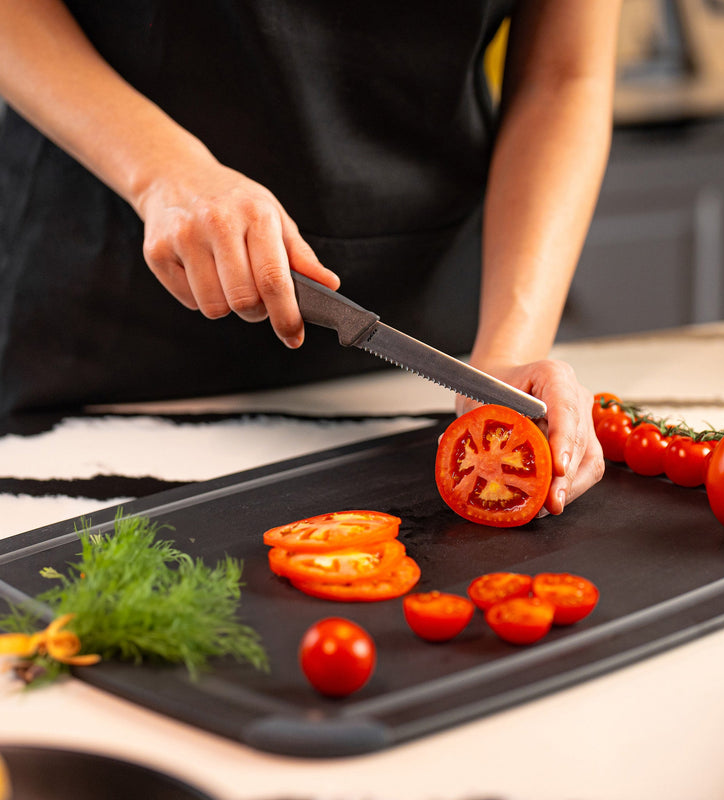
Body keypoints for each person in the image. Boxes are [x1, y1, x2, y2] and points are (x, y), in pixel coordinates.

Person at [0, 0, 620, 514]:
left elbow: (565, 78)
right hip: (105, 318)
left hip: (424, 339)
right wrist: (162, 171)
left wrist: (506, 356)